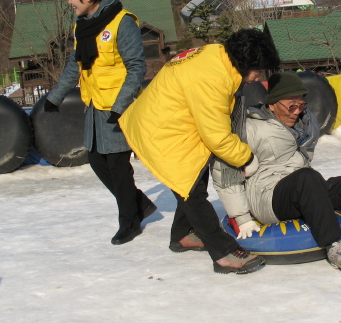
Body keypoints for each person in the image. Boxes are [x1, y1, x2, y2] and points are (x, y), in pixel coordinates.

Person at [119, 29, 280, 274]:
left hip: (166, 120)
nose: (258, 79)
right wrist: (246, 157)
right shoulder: (213, 78)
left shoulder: (218, 55)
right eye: (258, 72)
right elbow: (217, 137)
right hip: (162, 131)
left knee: (195, 177)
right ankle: (223, 253)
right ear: (246, 63)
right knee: (191, 193)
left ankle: (182, 235)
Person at [213, 71, 341, 271]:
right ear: (272, 104)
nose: (296, 111)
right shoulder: (251, 129)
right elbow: (225, 174)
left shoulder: (304, 124)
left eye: (301, 105)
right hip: (269, 196)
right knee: (307, 177)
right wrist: (242, 218)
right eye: (291, 105)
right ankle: (334, 245)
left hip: (303, 189)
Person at [45, 0, 154, 246]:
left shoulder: (122, 23)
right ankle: (138, 203)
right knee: (96, 161)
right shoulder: (82, 24)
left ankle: (129, 223)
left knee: (118, 167)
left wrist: (120, 106)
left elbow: (136, 68)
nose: (69, 2)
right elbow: (76, 64)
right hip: (94, 104)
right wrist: (55, 96)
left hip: (118, 107)